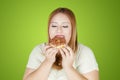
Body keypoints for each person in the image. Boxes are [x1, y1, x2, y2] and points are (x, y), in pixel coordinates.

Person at [23, 7, 99, 80]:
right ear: (48, 29)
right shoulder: (38, 50)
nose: (59, 30)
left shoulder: (84, 52)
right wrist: (47, 62)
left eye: (65, 26)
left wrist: (68, 67)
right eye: (54, 25)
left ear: (72, 30)